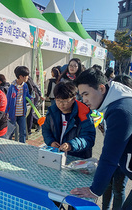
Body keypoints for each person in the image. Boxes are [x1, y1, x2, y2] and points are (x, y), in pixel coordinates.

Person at [71, 68, 132, 210]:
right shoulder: (119, 100)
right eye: (81, 95)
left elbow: (110, 156)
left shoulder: (120, 110)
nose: (84, 100)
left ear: (101, 88)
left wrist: (94, 190)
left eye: (86, 94)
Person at [42, 81, 96, 158]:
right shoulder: (52, 112)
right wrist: (51, 142)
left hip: (77, 158)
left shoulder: (83, 114)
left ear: (73, 99)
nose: (61, 104)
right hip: (56, 155)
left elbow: (89, 138)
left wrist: (71, 145)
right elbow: (46, 129)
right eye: (58, 100)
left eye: (65, 101)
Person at [101, 74, 131, 210]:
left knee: (118, 189)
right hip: (110, 156)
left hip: (123, 160)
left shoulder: (125, 110)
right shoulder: (109, 108)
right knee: (106, 186)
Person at [6, 66, 32, 143]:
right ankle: (8, 144)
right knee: (11, 132)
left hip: (22, 113)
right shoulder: (12, 87)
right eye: (26, 76)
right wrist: (6, 112)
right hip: (13, 113)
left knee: (23, 132)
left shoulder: (25, 85)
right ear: (20, 76)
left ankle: (22, 145)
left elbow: (27, 95)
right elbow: (8, 100)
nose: (28, 77)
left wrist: (31, 98)